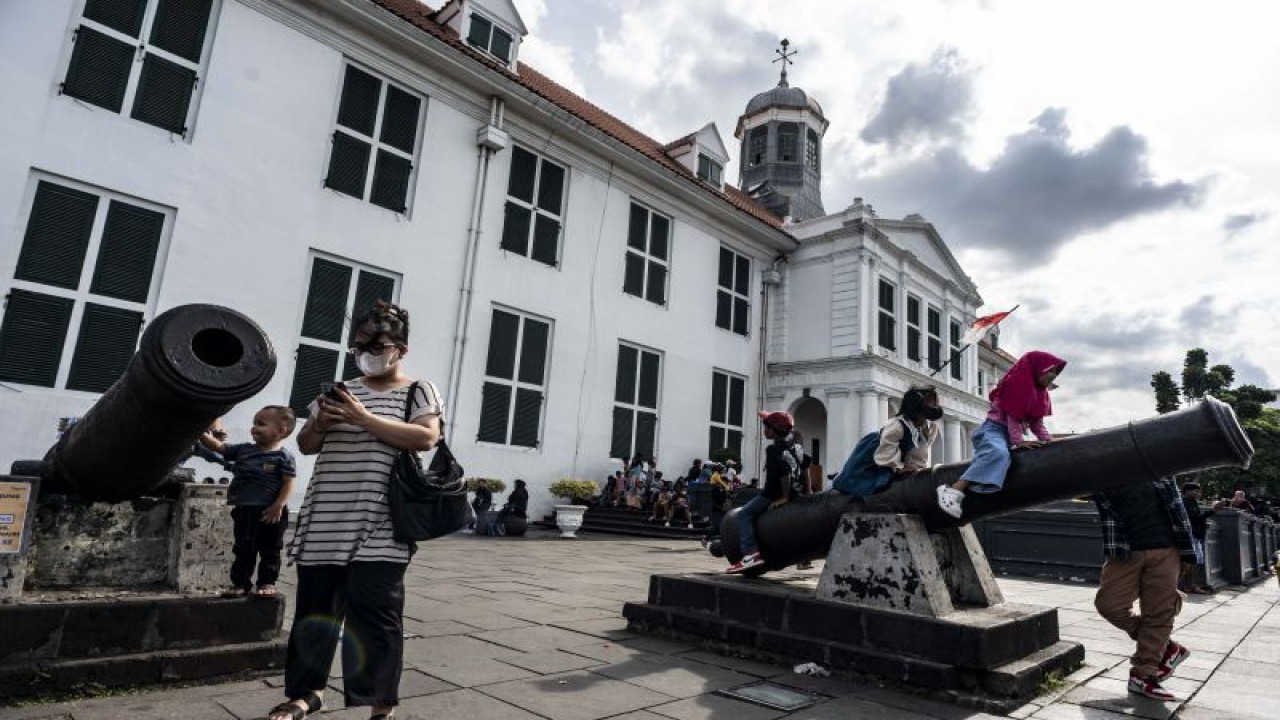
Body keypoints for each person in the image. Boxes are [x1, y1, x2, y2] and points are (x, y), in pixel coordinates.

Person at [267, 301, 443, 720]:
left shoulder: (418, 390)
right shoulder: (338, 390)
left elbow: (425, 438)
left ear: (401, 348)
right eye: (361, 345)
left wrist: (363, 418)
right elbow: (307, 446)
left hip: (381, 523)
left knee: (377, 616)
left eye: (379, 344)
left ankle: (381, 703)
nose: (369, 351)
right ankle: (306, 693)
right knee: (315, 613)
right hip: (324, 520)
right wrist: (320, 424)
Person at [1092, 477, 1199, 701]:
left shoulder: (1161, 469)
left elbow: (1178, 510)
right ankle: (1166, 646)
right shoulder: (1103, 468)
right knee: (1109, 605)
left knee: (1159, 612)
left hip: (1166, 548)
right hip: (1125, 549)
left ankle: (1144, 675)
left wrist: (1187, 552)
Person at [937, 351, 1066, 519]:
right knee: (997, 453)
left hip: (1007, 436)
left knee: (1004, 458)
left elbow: (1036, 423)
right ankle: (955, 489)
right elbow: (1013, 416)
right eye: (1051, 371)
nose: (1054, 376)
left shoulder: (1040, 393)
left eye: (1056, 372)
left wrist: (1048, 440)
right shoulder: (1018, 385)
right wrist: (1019, 442)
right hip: (993, 430)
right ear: (1039, 369)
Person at [199, 406, 297, 598]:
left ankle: (267, 582)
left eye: (261, 424)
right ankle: (240, 583)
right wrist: (201, 433)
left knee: (270, 549)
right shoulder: (243, 450)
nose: (254, 427)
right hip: (244, 511)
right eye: (254, 423)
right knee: (243, 549)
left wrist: (278, 505)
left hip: (271, 511)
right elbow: (219, 447)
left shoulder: (283, 456)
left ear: (281, 431)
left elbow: (288, 483)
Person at [727, 411, 803, 574]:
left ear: (773, 430)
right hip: (792, 492)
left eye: (766, 427)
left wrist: (784, 497)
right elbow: (800, 469)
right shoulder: (792, 448)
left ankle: (750, 554)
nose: (764, 430)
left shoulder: (773, 449)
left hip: (772, 494)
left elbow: (784, 474)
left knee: (744, 514)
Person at [1177, 482, 1211, 594]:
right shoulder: (1186, 502)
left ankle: (1188, 585)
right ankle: (1181, 585)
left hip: (1195, 535)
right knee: (1189, 562)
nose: (1198, 493)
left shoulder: (1192, 502)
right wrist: (1213, 511)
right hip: (1191, 535)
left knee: (1193, 561)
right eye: (1195, 491)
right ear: (1187, 491)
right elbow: (1194, 518)